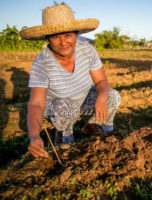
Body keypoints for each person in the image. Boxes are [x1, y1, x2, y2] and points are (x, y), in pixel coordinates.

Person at [20, 4, 121, 158]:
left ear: (76, 35)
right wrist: (34, 136)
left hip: (82, 99)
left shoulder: (87, 51)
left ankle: (94, 127)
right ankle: (65, 140)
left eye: (67, 35)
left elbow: (100, 80)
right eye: (55, 36)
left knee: (112, 96)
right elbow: (36, 104)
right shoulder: (42, 63)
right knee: (66, 108)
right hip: (58, 106)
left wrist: (101, 97)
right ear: (48, 39)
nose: (63, 42)